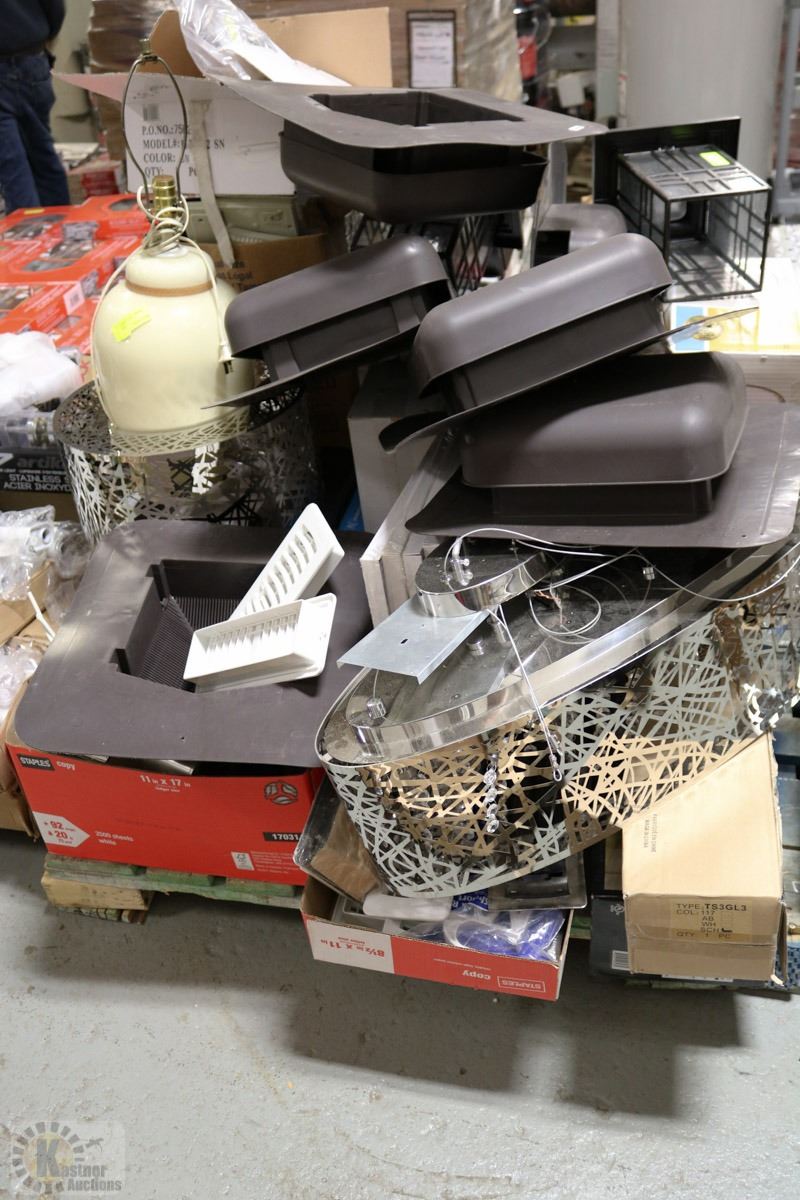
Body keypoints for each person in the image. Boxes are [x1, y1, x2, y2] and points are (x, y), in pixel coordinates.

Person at [0, 1, 70, 212]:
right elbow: (55, 7)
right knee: (43, 157)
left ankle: (31, 231)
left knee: (12, 166)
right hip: (33, 59)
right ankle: (64, 225)